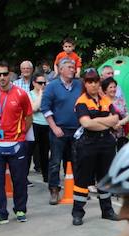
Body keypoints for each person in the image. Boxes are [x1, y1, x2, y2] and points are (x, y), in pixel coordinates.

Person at [0, 61, 33, 227]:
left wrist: (22, 134)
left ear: (10, 74)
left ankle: (20, 209)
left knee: (19, 179)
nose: (2, 78)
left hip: (17, 143)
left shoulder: (21, 94)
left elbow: (28, 116)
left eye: (5, 74)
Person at [70, 68, 121, 226]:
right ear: (85, 84)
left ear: (99, 83)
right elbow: (86, 123)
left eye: (95, 81)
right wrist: (105, 122)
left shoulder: (105, 100)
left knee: (104, 178)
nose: (93, 84)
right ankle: (78, 213)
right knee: (82, 180)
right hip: (88, 143)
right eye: (89, 81)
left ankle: (107, 211)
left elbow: (116, 119)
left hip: (106, 143)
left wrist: (97, 122)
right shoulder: (82, 101)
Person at [41, 58, 82, 204]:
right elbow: (45, 108)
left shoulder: (79, 84)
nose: (73, 69)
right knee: (55, 162)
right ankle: (54, 190)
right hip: (58, 130)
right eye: (70, 67)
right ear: (61, 69)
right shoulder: (52, 86)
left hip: (77, 130)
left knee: (76, 161)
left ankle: (78, 189)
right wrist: (54, 127)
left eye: (74, 67)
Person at [28, 72, 50, 177]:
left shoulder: (48, 94)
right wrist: (41, 94)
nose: (43, 85)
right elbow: (34, 108)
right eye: (40, 83)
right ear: (34, 83)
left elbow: (50, 108)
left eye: (44, 83)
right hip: (34, 124)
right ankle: (24, 176)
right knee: (30, 151)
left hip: (47, 124)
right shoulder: (29, 94)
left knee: (45, 152)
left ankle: (46, 175)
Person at [102, 76, 129, 150]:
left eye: (115, 87)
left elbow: (127, 115)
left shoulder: (120, 100)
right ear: (105, 90)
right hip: (107, 135)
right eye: (110, 87)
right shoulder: (101, 102)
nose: (113, 89)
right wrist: (112, 125)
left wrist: (120, 123)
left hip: (122, 134)